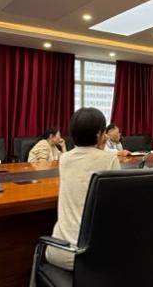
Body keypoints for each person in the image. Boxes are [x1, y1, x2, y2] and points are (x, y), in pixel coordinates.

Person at [46, 108, 120, 270]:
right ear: (99, 134)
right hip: (99, 255)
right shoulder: (110, 160)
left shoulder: (64, 159)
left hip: (62, 251)